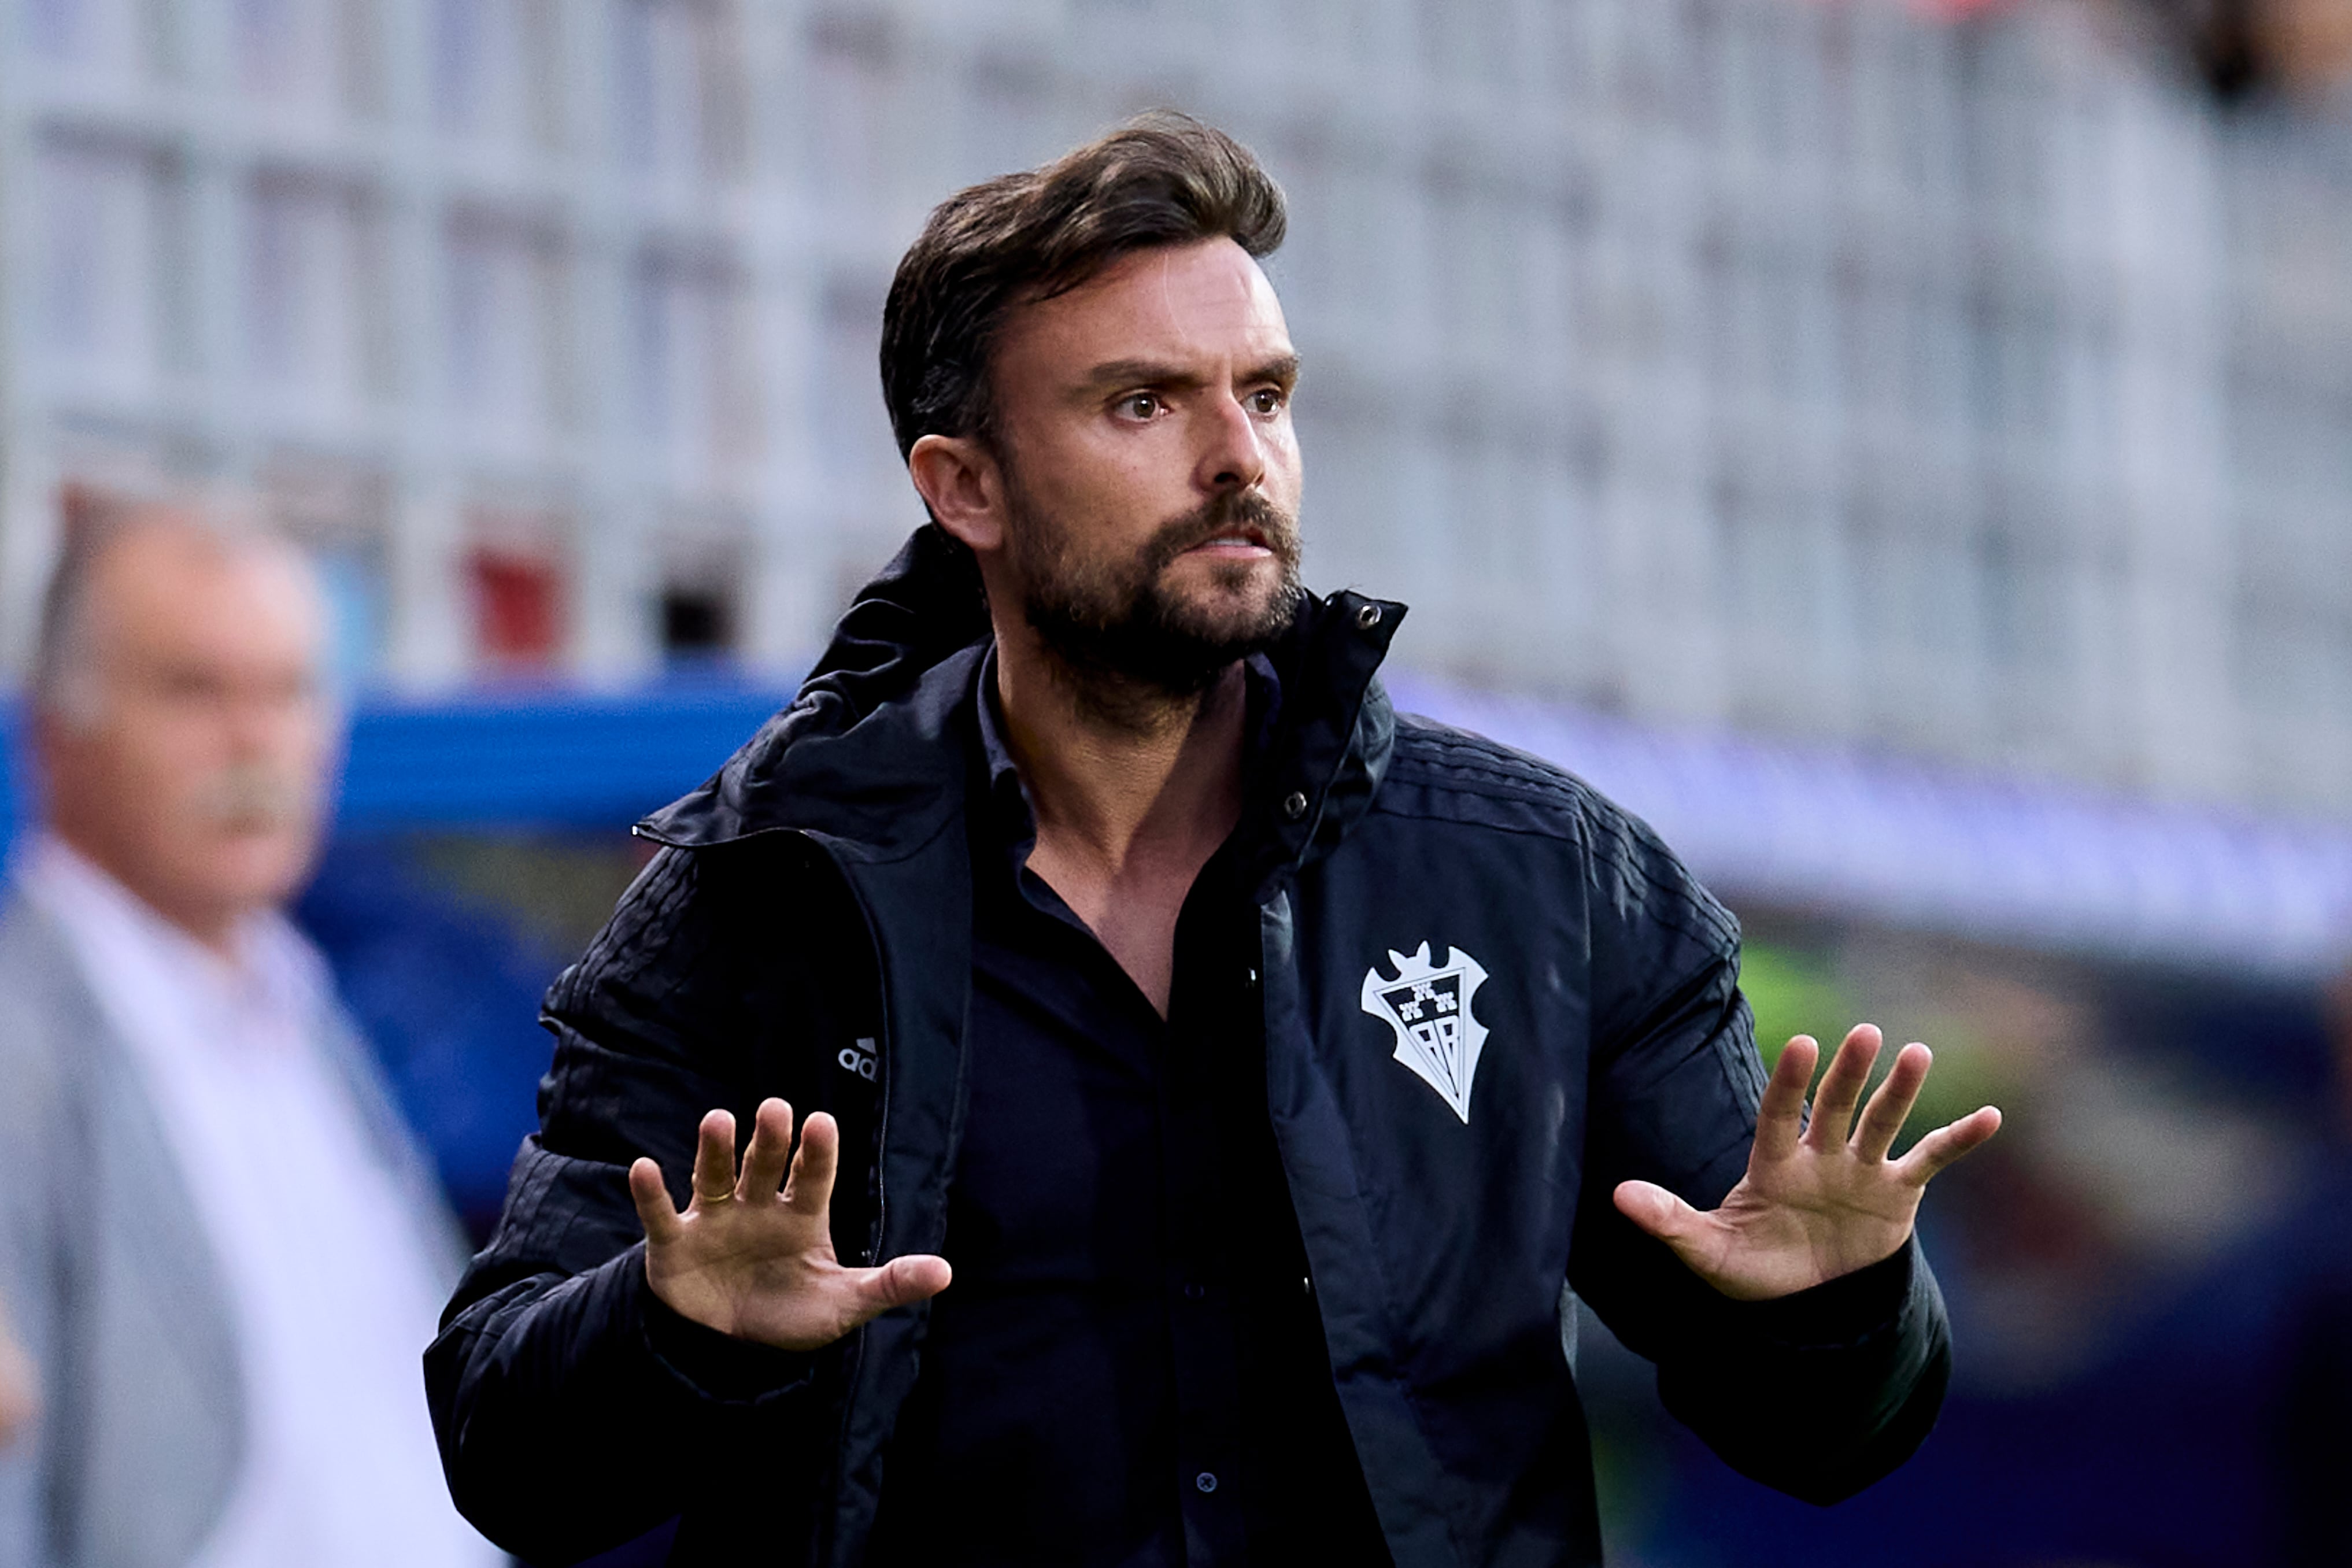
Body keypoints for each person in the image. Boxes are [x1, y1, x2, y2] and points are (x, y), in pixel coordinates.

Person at [429, 114, 2000, 1566]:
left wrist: (1833, 1313)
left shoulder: (1540, 883)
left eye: (1261, 394)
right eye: (1140, 404)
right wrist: (677, 1332)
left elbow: (1824, 1442)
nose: (1236, 457)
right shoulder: (758, 901)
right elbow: (509, 1454)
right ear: (963, 486)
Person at [0, 500, 502, 1567]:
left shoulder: (300, 998)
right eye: (195, 691)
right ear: (56, 732)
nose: (256, 741)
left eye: (288, 691)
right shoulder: (20, 1044)